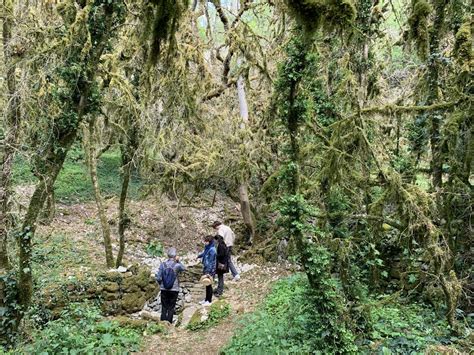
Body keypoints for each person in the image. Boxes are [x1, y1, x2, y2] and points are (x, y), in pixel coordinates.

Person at [155, 247, 185, 323]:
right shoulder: (177, 265)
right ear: (175, 256)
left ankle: (162, 324)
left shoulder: (163, 265)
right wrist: (178, 261)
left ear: (168, 255)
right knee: (171, 307)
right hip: (174, 289)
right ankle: (169, 325)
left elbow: (158, 278)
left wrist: (161, 284)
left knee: (164, 307)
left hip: (164, 289)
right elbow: (184, 268)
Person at [197, 235, 216, 305]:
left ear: (209, 242)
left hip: (210, 270)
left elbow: (211, 262)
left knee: (209, 285)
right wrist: (199, 256)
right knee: (206, 284)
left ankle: (209, 301)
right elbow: (204, 254)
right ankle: (206, 299)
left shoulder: (213, 250)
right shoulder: (207, 247)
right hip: (206, 267)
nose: (204, 242)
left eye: (206, 241)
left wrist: (208, 272)